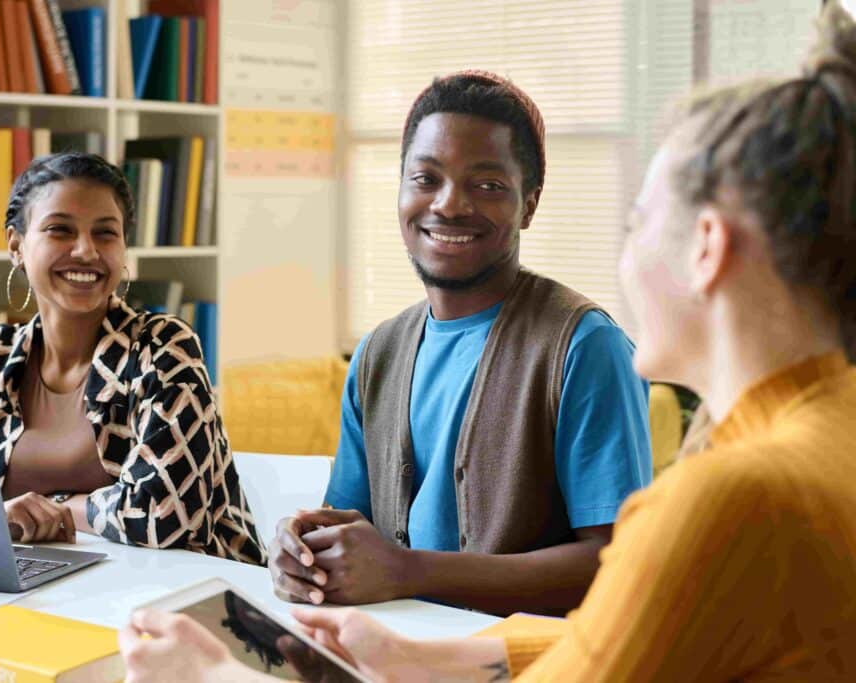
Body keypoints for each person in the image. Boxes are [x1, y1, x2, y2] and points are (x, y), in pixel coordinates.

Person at [118, 2, 856, 680]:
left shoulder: (733, 491)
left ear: (706, 247)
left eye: (638, 220)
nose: (625, 255)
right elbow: (619, 630)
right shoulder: (811, 433)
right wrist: (425, 654)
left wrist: (212, 677)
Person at [268, 71, 652, 616]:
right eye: (425, 178)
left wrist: (409, 571)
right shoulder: (377, 354)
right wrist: (305, 554)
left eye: (487, 185)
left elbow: (618, 566)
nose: (449, 205)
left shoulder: (585, 346)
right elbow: (348, 527)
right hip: (390, 656)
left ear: (529, 204)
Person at [0, 153, 265, 564]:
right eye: (60, 230)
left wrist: (54, 507)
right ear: (16, 246)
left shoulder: (162, 348)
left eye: (105, 233)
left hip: (182, 597)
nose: (85, 251)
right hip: (40, 591)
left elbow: (164, 515)